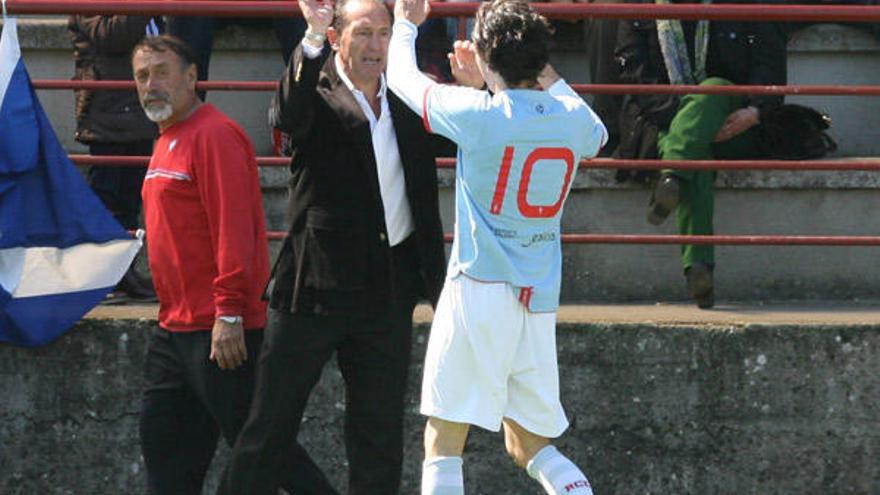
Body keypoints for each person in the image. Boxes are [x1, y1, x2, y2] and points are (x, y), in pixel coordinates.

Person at [217, 0, 447, 492]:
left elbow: (458, 136)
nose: (375, 45)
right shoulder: (315, 91)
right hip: (314, 288)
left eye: (384, 33)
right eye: (363, 33)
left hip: (388, 290)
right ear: (339, 37)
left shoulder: (411, 97)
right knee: (269, 426)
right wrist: (311, 37)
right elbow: (287, 111)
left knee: (379, 435)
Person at [387, 0, 607, 493]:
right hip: (537, 297)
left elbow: (403, 81)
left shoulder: (479, 114)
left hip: (478, 290)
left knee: (443, 441)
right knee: (527, 444)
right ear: (541, 58)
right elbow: (598, 132)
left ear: (487, 57)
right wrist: (523, 68)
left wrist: (405, 25)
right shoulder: (572, 119)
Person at [131, 34, 336, 495]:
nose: (151, 85)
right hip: (175, 330)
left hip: (221, 332)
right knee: (166, 455)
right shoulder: (167, 139)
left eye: (162, 72)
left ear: (191, 77)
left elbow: (236, 227)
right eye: (142, 76)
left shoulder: (214, 134)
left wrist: (229, 312)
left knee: (268, 453)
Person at [614, 0, 787, 308]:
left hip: (735, 126)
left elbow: (770, 65)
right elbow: (637, 80)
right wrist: (688, 117)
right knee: (696, 154)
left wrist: (754, 111)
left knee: (714, 88)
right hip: (663, 122)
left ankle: (672, 177)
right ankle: (699, 269)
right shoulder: (639, 10)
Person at [68, 15, 162, 303]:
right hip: (108, 107)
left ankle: (123, 273)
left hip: (134, 107)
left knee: (129, 197)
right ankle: (105, 276)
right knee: (108, 196)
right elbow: (109, 34)